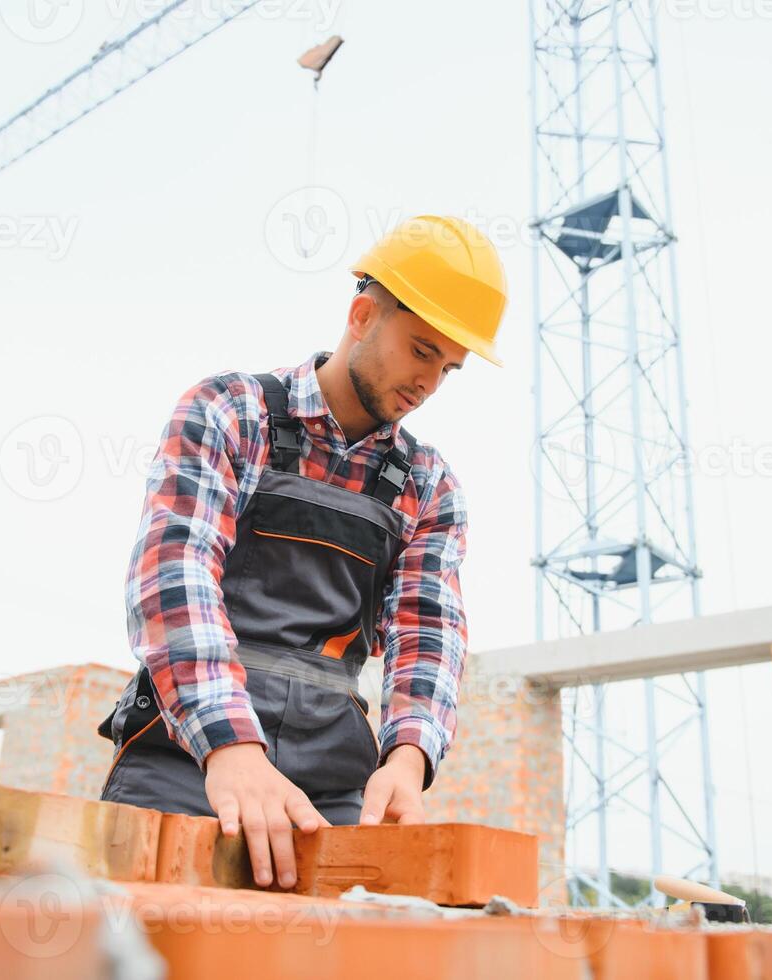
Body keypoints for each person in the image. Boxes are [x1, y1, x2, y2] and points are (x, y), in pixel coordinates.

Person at [99, 214, 507, 891]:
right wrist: (229, 746)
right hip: (187, 757)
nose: (428, 383)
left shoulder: (430, 487)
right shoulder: (230, 412)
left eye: (448, 368)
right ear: (362, 315)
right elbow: (174, 575)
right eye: (420, 350)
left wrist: (407, 758)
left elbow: (427, 631)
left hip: (329, 781)